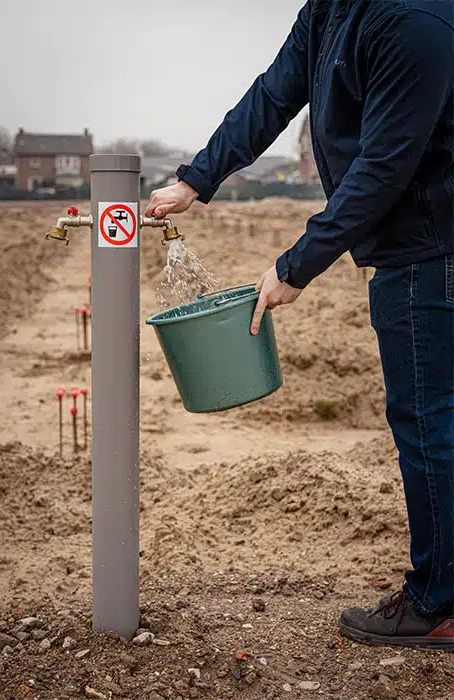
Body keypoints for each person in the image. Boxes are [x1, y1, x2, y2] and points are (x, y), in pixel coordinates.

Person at [146, 1, 454, 649]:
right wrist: (197, 180)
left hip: (433, 249)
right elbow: (274, 93)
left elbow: (384, 165)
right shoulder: (331, 8)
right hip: (411, 247)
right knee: (432, 420)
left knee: (428, 423)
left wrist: (297, 264)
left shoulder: (416, 19)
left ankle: (439, 602)